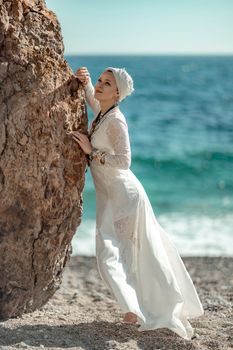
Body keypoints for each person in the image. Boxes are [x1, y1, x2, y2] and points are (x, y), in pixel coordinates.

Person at [70, 66, 204, 340]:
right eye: (99, 80)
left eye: (107, 84)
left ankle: (155, 309)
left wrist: (91, 151)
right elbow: (95, 104)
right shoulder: (104, 113)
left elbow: (125, 161)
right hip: (111, 197)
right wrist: (84, 84)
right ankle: (133, 309)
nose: (100, 85)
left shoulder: (116, 120)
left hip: (126, 196)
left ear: (117, 93)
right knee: (108, 255)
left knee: (138, 256)